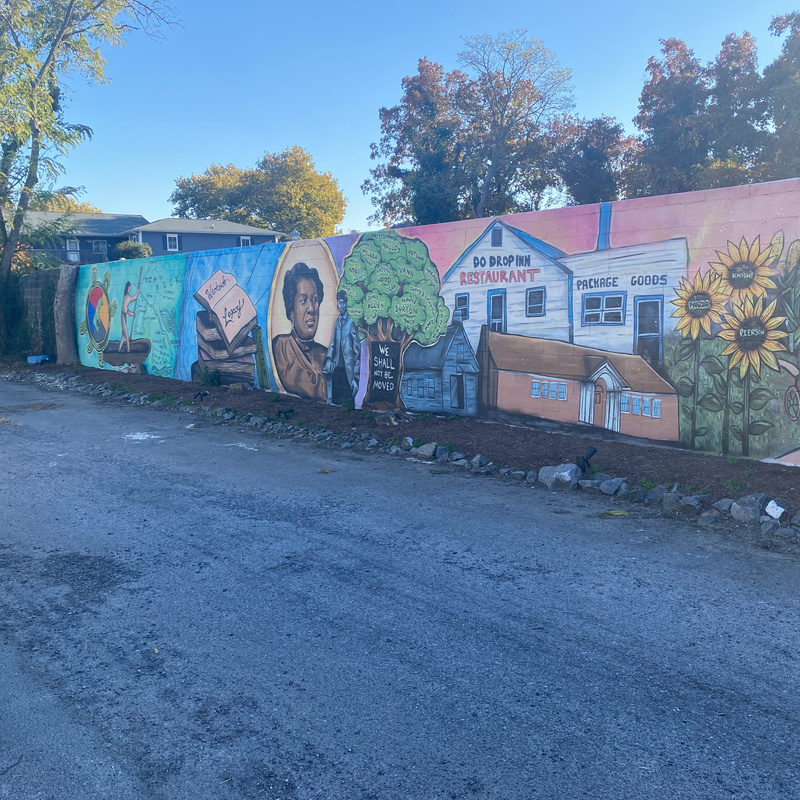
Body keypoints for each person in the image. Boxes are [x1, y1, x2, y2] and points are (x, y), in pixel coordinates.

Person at [271, 262, 327, 401]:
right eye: (303, 300)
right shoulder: (280, 348)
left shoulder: (326, 354)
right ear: (291, 312)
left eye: (314, 299)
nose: (311, 308)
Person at [323, 290, 360, 405]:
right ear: (337, 304)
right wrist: (329, 359)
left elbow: (357, 352)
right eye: (340, 303)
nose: (342, 306)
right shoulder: (337, 323)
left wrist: (356, 377)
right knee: (336, 401)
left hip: (348, 370)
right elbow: (332, 344)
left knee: (348, 401)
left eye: (344, 303)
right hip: (337, 368)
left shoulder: (350, 323)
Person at [118, 266, 142, 352]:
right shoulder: (127, 297)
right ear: (127, 288)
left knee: (122, 337)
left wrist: (132, 314)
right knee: (126, 337)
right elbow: (134, 298)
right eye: (129, 288)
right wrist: (138, 290)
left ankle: (119, 350)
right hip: (123, 316)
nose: (130, 289)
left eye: (130, 288)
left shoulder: (125, 296)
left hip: (124, 316)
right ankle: (128, 351)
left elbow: (127, 310)